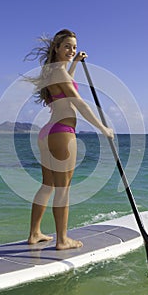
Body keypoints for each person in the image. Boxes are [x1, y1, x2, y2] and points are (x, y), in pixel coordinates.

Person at [25, 29, 114, 250]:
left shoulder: (53, 72)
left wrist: (74, 62)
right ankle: (63, 240)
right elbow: (80, 104)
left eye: (74, 47)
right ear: (56, 47)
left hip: (47, 133)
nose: (71, 50)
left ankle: (35, 233)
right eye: (67, 46)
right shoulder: (59, 74)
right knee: (63, 189)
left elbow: (68, 82)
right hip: (62, 133)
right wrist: (102, 128)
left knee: (47, 186)